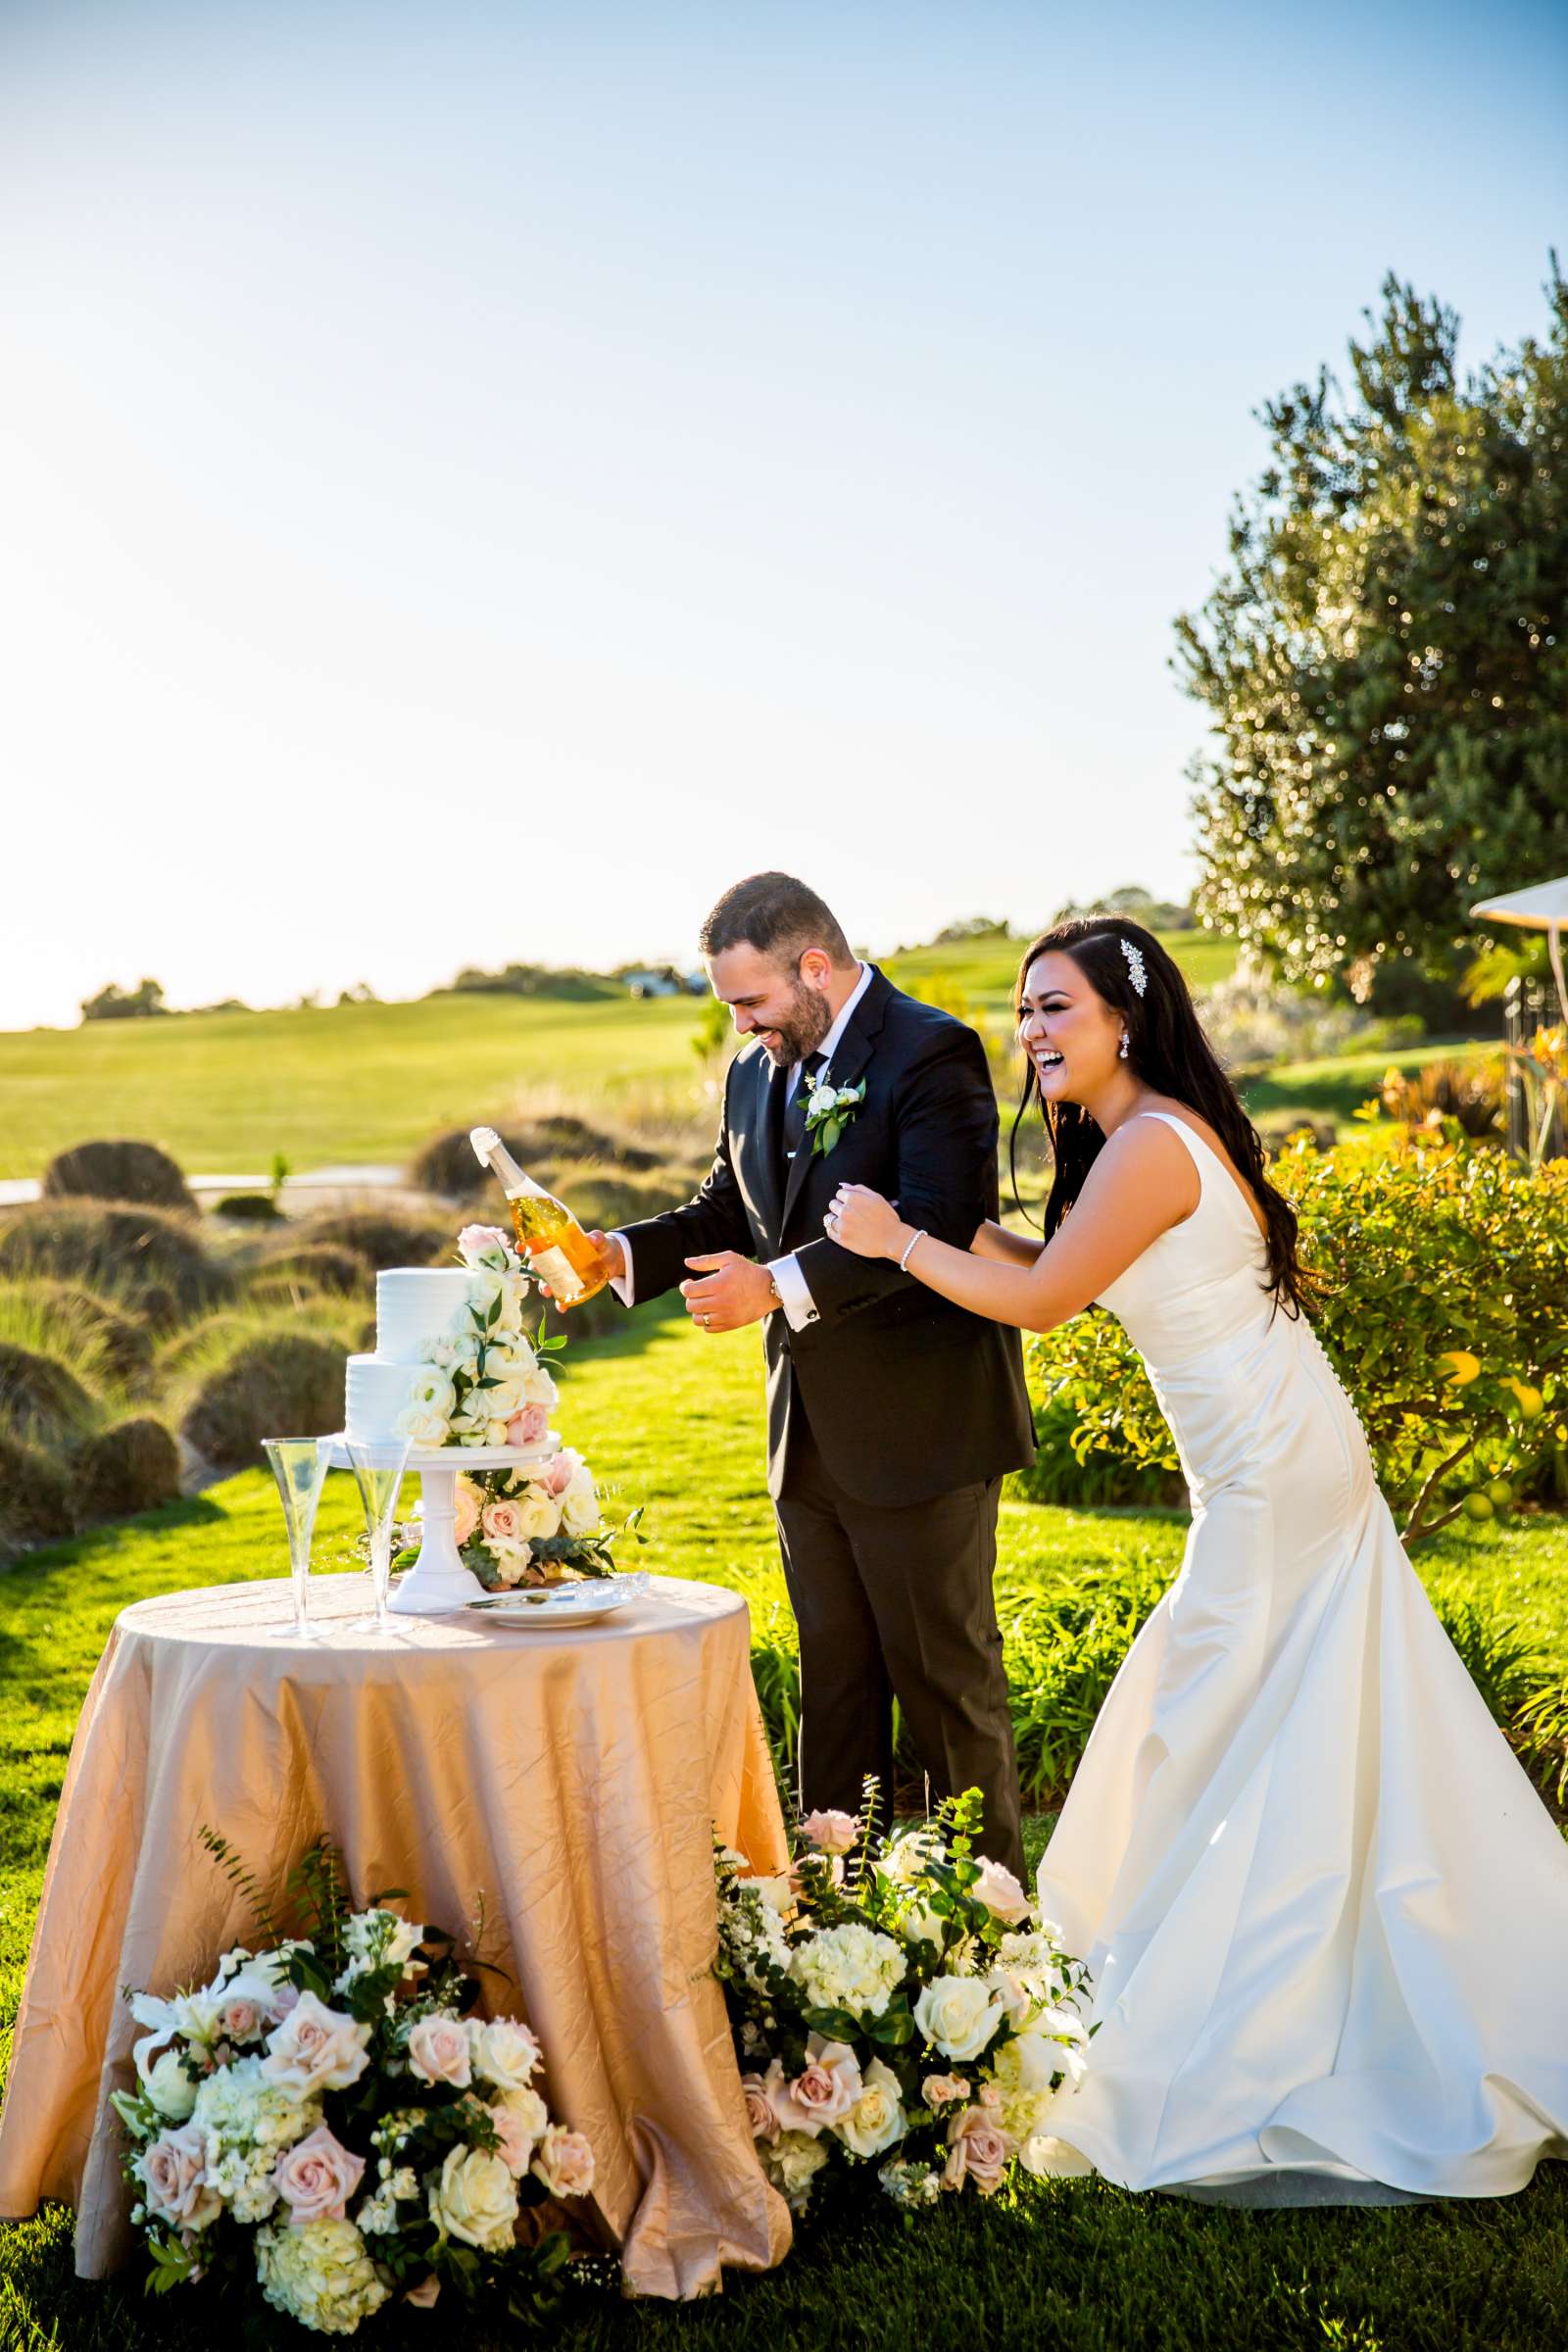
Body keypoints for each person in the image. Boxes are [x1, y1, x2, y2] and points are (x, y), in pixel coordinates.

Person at [826, 915, 1568, 2203]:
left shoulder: (1156, 1144)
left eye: (1056, 1008)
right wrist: (938, 1234)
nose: (1034, 1033)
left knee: (1201, 1714)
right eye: (1023, 1012)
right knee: (1248, 1717)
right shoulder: (1138, 1140)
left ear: (1125, 1019)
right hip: (1279, 1465)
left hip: (1273, 1481)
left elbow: (1048, 1301)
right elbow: (1051, 1264)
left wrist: (899, 1244)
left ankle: (1209, 2015)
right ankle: (1260, 1978)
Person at [587, 871, 1036, 1878]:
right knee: (831, 1694)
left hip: (923, 1435)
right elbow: (724, 1210)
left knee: (944, 1698)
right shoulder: (759, 1069)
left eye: (753, 1001)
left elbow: (928, 1216)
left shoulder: (932, 1052)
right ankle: (837, 1943)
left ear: (816, 967)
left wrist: (774, 1286)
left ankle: (995, 1940)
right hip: (810, 1442)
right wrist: (614, 1256)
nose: (743, 1025)